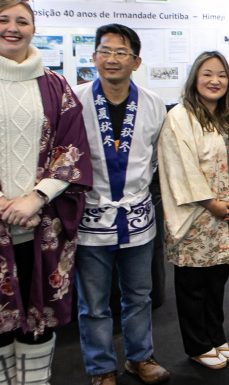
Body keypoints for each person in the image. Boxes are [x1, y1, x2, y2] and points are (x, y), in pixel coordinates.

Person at [0, 0, 92, 385]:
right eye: (4, 20)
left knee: (39, 317)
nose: (13, 28)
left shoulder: (54, 85)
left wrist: (36, 198)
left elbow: (72, 148)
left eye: (22, 21)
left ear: (33, 29)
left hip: (42, 220)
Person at [73, 24, 170, 385]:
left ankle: (140, 357)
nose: (112, 59)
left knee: (139, 296)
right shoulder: (74, 100)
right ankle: (101, 368)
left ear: (136, 61)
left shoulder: (154, 104)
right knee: (93, 302)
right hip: (91, 216)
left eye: (121, 53)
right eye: (105, 51)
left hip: (137, 215)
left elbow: (159, 157)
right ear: (94, 57)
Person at [158, 51, 229, 370]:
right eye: (207, 74)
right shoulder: (180, 117)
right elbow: (179, 167)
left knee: (217, 281)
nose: (215, 80)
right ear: (195, 78)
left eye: (221, 75)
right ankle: (197, 345)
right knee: (193, 284)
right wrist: (212, 203)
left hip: (228, 213)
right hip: (196, 214)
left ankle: (216, 336)